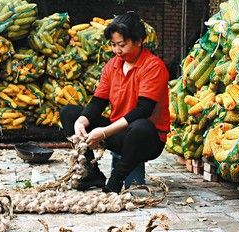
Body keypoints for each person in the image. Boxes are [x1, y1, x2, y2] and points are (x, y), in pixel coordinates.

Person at [60, 12, 170, 193]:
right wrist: (82, 121)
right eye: (113, 45)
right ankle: (89, 174)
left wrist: (103, 132)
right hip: (118, 132)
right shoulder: (112, 65)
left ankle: (116, 181)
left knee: (141, 126)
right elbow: (98, 101)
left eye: (122, 45)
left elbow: (143, 110)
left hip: (147, 139)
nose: (117, 50)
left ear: (139, 41)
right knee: (69, 113)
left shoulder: (153, 66)